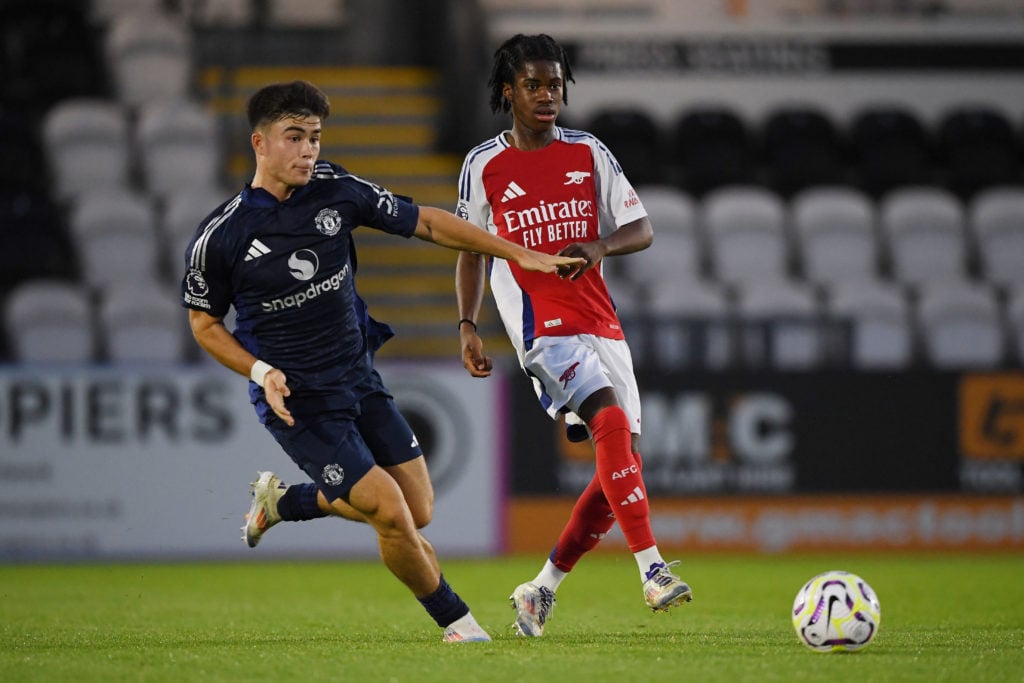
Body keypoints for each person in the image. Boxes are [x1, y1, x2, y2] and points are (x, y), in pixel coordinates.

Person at [180, 80, 585, 644]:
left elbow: (427, 222)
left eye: (315, 137)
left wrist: (519, 253)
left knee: (416, 511)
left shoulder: (336, 189)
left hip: (357, 376)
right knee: (390, 513)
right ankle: (459, 626)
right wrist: (259, 370)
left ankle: (284, 502)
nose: (307, 151)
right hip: (299, 401)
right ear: (259, 143)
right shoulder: (222, 236)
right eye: (294, 137)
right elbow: (204, 324)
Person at [454, 34, 693, 638]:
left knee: (620, 467)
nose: (546, 95)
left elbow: (640, 227)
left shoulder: (588, 151)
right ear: (508, 91)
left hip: (601, 322)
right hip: (542, 326)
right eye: (533, 84)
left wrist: (600, 245)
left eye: (555, 84)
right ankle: (653, 569)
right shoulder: (484, 164)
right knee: (609, 425)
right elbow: (468, 250)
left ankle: (540, 589)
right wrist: (468, 324)